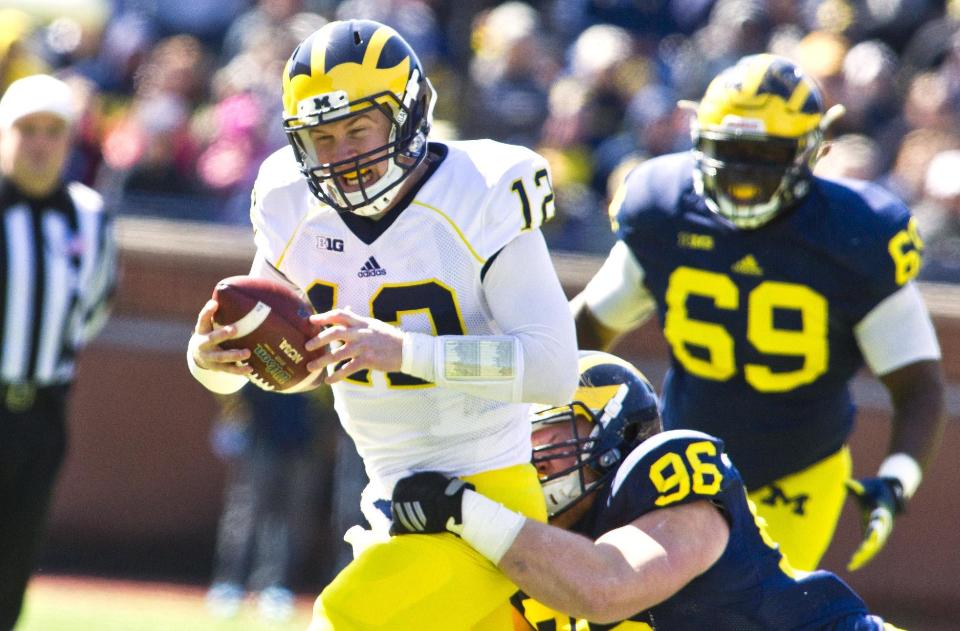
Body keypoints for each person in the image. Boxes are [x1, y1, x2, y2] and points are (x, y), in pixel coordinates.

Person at [185, 19, 578, 630]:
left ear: (408, 115)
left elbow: (554, 371)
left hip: (488, 498)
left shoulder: (481, 190)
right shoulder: (290, 202)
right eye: (321, 138)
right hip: (390, 501)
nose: (341, 156)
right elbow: (262, 355)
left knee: (344, 619)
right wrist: (207, 359)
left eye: (357, 129)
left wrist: (407, 352)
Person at [568, 53, 946, 571]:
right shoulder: (662, 205)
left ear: (813, 151)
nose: (744, 176)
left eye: (763, 155)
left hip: (796, 477)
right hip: (681, 460)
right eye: (730, 151)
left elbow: (919, 384)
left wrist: (898, 478)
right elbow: (588, 326)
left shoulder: (858, 234)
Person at [389, 351, 903, 630]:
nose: (530, 455)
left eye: (551, 436)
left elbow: (609, 586)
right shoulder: (528, 552)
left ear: (619, 435)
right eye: (519, 440)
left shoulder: (667, 469)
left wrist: (464, 511)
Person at [0, 73, 117, 630]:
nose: (41, 143)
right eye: (27, 130)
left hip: (44, 413)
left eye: (54, 131)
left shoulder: (90, 216)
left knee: (14, 562)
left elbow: (93, 310)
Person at [204, 387, 327, 622]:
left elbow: (326, 396)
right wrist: (234, 418)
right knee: (246, 514)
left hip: (304, 439)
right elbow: (235, 386)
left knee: (293, 518)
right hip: (261, 434)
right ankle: (229, 584)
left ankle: (276, 587)